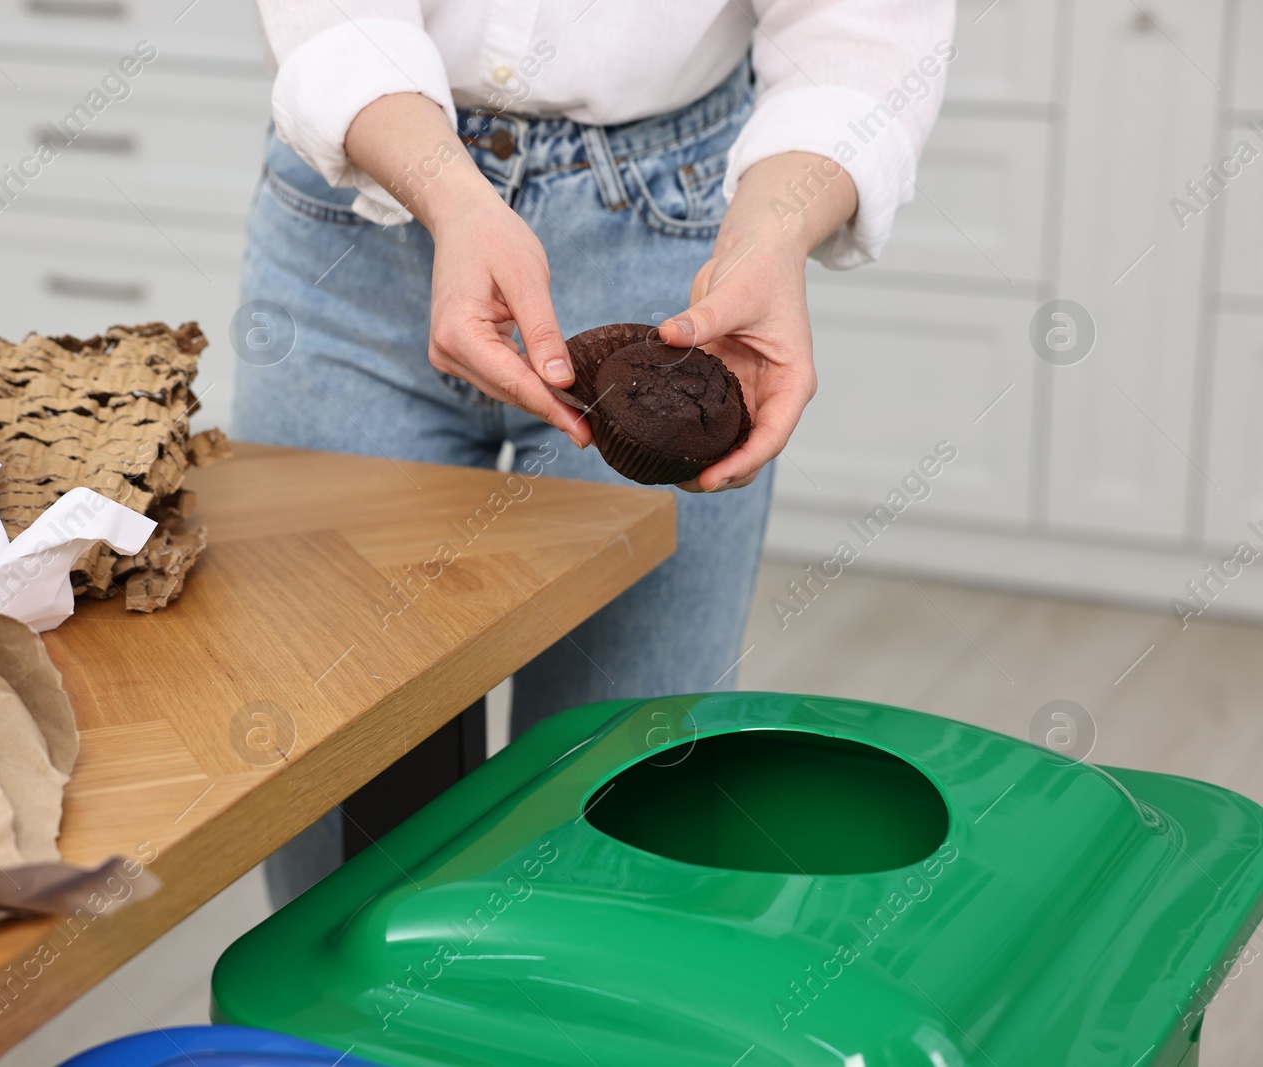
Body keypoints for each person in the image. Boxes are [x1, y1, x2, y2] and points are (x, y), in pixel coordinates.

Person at [238, 1, 954, 903]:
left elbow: (857, 29)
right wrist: (454, 195)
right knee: (340, 812)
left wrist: (773, 233)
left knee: (620, 799)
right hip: (357, 221)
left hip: (676, 250)